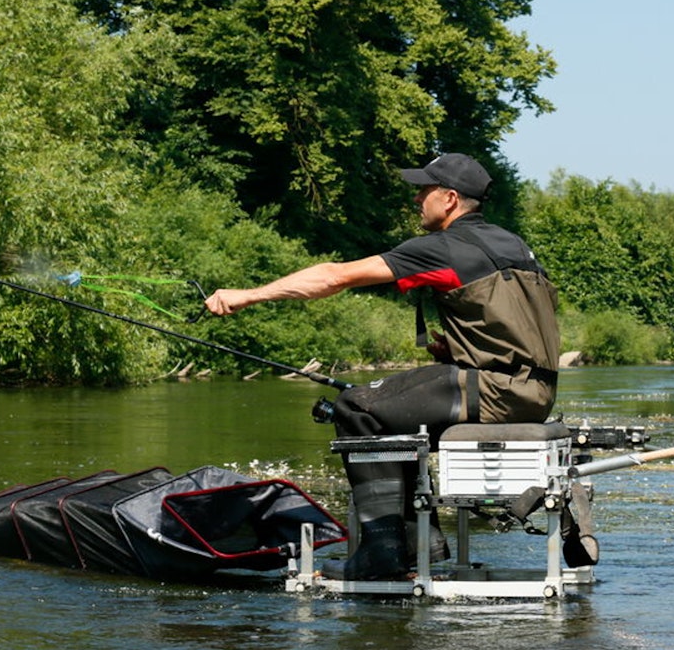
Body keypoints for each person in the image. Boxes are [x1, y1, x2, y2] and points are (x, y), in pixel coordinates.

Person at [205, 153, 560, 580]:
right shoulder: (513, 244)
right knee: (390, 411)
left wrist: (247, 295)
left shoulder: (444, 247)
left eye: (424, 190)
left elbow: (335, 277)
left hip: (494, 390)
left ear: (450, 198)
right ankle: (414, 545)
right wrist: (461, 347)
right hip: (534, 391)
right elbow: (518, 321)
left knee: (356, 407)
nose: (416, 199)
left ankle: (383, 554)